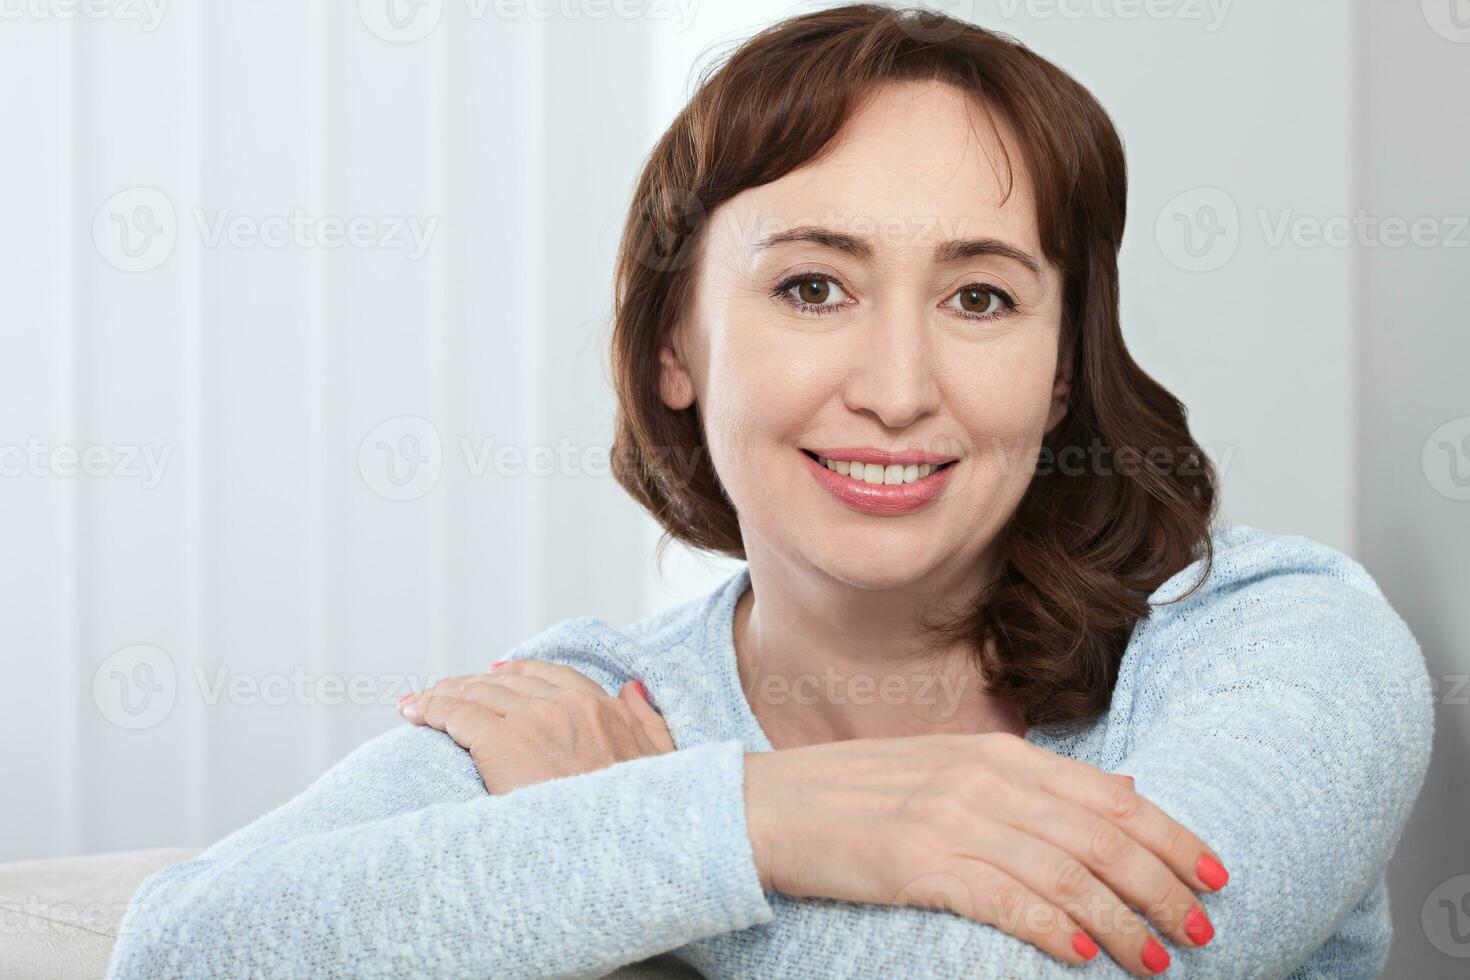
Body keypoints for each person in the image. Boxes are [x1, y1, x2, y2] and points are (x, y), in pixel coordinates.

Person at [105, 5, 1433, 978]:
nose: (897, 386)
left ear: (1063, 369)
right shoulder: (587, 708)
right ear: (675, 345)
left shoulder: (1276, 642)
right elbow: (188, 952)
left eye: (979, 296)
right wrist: (755, 811)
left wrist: (650, 874)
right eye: (812, 286)